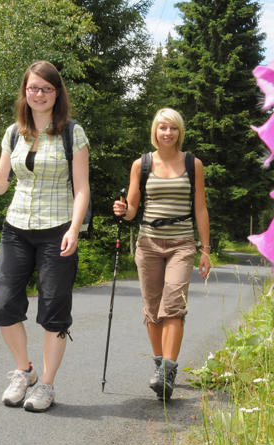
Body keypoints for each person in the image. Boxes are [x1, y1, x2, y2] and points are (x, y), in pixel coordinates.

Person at [0, 61, 89, 412]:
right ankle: (24, 370)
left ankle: (46, 385)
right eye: (33, 88)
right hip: (16, 227)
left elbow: (82, 190)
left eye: (46, 88)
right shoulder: (15, 132)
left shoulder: (73, 133)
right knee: (3, 304)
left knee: (54, 312)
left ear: (56, 93)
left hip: (58, 228)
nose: (39, 94)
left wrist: (75, 229)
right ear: (24, 92)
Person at [112, 108, 211, 400]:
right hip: (149, 243)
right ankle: (160, 366)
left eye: (173, 128)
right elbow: (131, 209)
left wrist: (205, 249)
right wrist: (122, 210)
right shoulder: (140, 165)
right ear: (154, 131)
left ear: (180, 132)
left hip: (182, 243)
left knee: (173, 306)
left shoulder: (193, 164)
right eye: (162, 128)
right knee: (153, 310)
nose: (168, 133)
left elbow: (200, 208)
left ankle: (168, 370)